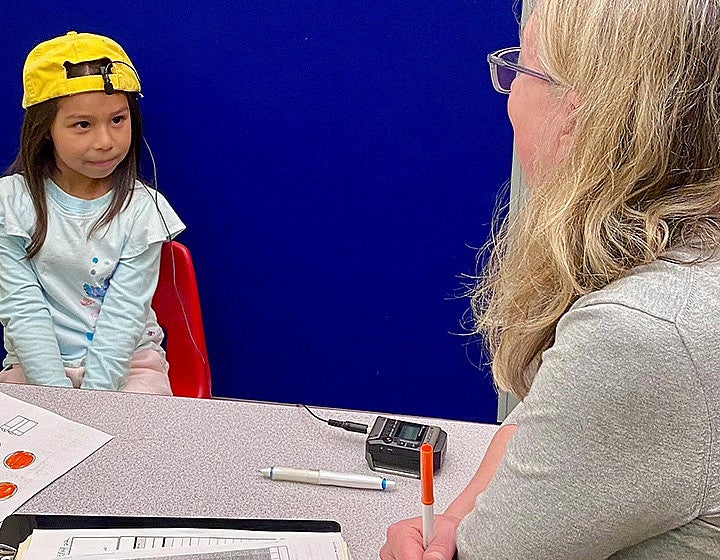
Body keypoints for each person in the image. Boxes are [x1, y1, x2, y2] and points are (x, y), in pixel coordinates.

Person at [381, 0, 720, 557]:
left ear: (583, 114)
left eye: (522, 68)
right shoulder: (686, 261)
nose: (510, 93)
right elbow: (543, 423)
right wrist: (456, 522)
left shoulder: (649, 333)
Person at [0, 32, 185, 394]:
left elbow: (125, 314)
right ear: (46, 130)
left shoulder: (143, 209)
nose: (105, 140)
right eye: (82, 125)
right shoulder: (11, 203)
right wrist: (56, 395)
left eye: (118, 119)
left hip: (131, 365)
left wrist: (97, 401)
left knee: (136, 442)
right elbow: (21, 307)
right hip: (36, 366)